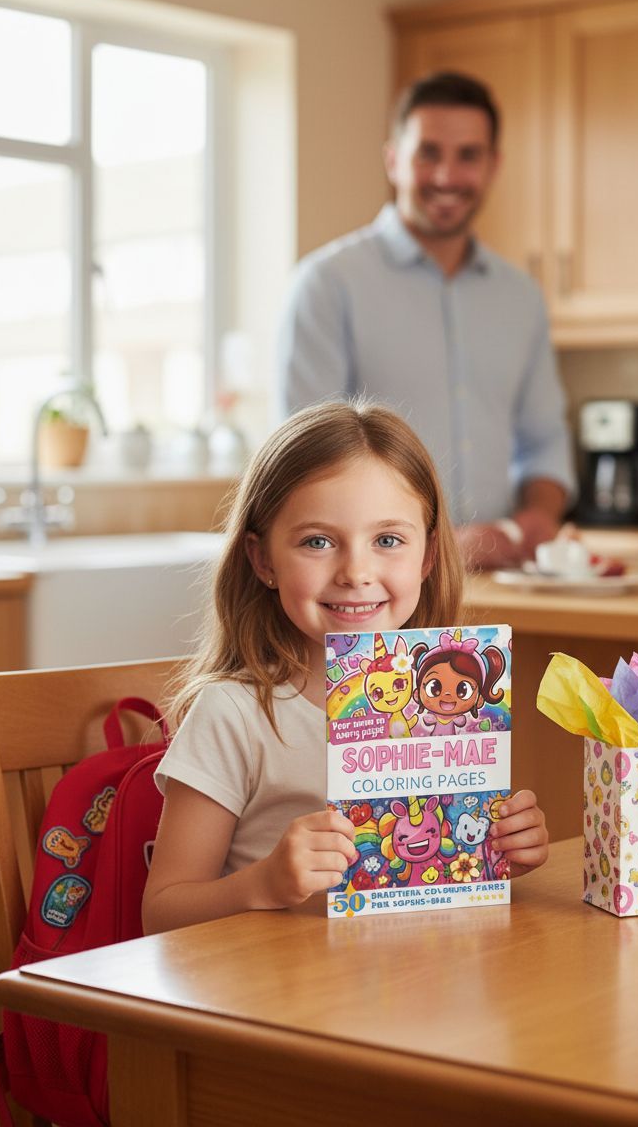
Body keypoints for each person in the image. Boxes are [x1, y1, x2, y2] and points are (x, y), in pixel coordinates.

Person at [142, 400, 549, 933]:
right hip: (274, 996)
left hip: (414, 986)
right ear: (263, 560)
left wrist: (500, 852)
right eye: (318, 541)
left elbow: (432, 868)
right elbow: (161, 914)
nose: (356, 571)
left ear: (427, 556)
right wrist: (263, 884)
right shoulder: (235, 714)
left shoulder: (447, 702)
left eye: (388, 540)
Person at [278, 71, 576, 571]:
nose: (446, 177)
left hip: (498, 584)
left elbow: (544, 439)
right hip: (372, 590)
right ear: (394, 159)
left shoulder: (520, 298)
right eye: (428, 153)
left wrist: (536, 524)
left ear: (493, 165)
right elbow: (306, 463)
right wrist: (420, 548)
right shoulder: (327, 284)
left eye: (468, 156)